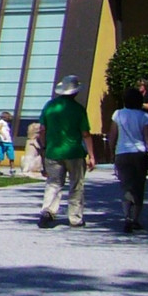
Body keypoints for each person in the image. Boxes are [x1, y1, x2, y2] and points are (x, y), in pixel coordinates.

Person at [39, 75, 97, 228]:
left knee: (53, 183)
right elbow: (85, 134)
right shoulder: (78, 109)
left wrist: (44, 147)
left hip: (53, 151)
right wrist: (91, 155)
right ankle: (75, 217)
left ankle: (48, 211)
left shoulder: (49, 106)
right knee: (76, 185)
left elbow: (42, 130)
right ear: (75, 92)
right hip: (74, 152)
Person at [110, 86, 148, 233]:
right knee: (139, 186)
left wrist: (112, 152)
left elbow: (113, 136)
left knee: (125, 185)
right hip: (139, 153)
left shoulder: (118, 114)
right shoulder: (144, 117)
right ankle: (135, 219)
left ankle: (126, 216)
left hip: (122, 153)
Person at [0, 111, 17, 176]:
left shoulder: (7, 124)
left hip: (9, 142)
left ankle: (12, 169)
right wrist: (3, 135)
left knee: (11, 156)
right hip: (2, 142)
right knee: (0, 157)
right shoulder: (1, 121)